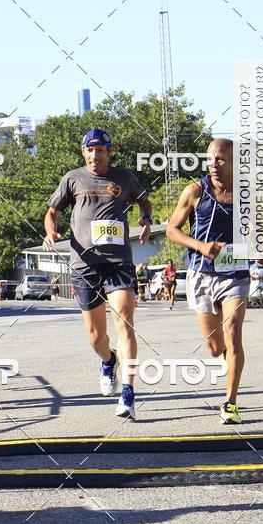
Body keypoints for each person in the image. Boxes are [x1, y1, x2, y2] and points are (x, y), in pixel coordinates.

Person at [43, 128, 152, 420]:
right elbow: (52, 211)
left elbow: (144, 200)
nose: (95, 156)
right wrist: (51, 231)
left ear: (109, 152)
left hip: (118, 261)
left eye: (100, 151)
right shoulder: (72, 178)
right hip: (84, 263)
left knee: (125, 324)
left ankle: (128, 395)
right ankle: (108, 360)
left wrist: (145, 218)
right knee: (95, 337)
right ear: (83, 153)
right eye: (90, 151)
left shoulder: (124, 178)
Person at [166, 138, 250, 424]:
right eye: (210, 159)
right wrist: (201, 247)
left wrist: (259, 248)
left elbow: (256, 234)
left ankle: (230, 402)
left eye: (221, 159)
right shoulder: (195, 191)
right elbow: (171, 230)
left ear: (234, 162)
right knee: (215, 347)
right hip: (201, 274)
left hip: (235, 274)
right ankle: (228, 360)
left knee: (233, 332)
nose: (214, 164)